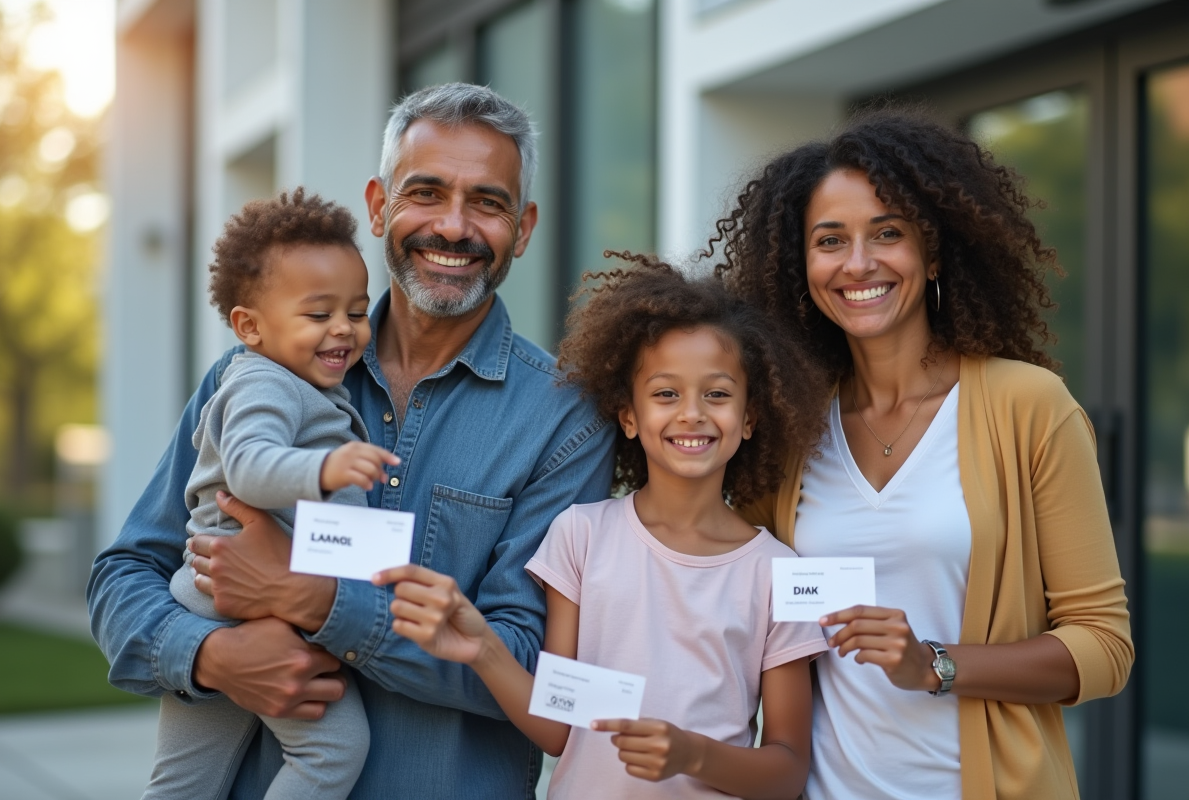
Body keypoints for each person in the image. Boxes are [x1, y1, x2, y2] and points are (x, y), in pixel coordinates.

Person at [89, 83, 615, 799]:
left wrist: (314, 602)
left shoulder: (566, 421)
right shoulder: (257, 371)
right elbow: (125, 574)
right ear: (378, 206)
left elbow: (534, 666)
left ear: (522, 229)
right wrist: (211, 653)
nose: (453, 227)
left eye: (487, 203)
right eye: (425, 193)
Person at [708, 108, 1134, 800]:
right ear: (801, 267)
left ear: (933, 252)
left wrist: (933, 664)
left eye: (887, 233)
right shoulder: (789, 429)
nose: (858, 263)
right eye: (829, 240)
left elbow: (1105, 648)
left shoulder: (1028, 406)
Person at [374, 259, 832, 799]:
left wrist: (692, 754)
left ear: (750, 417)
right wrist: (483, 648)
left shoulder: (777, 573)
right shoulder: (581, 536)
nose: (692, 414)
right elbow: (557, 730)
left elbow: (786, 772)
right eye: (666, 394)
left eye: (717, 394)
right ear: (629, 416)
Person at [145, 189, 399, 799]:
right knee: (334, 750)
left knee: (184, 779)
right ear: (249, 326)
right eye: (318, 315)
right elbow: (252, 469)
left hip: (211, 603)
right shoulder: (265, 383)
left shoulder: (289, 378)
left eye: (357, 311)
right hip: (234, 600)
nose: (343, 328)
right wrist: (327, 468)